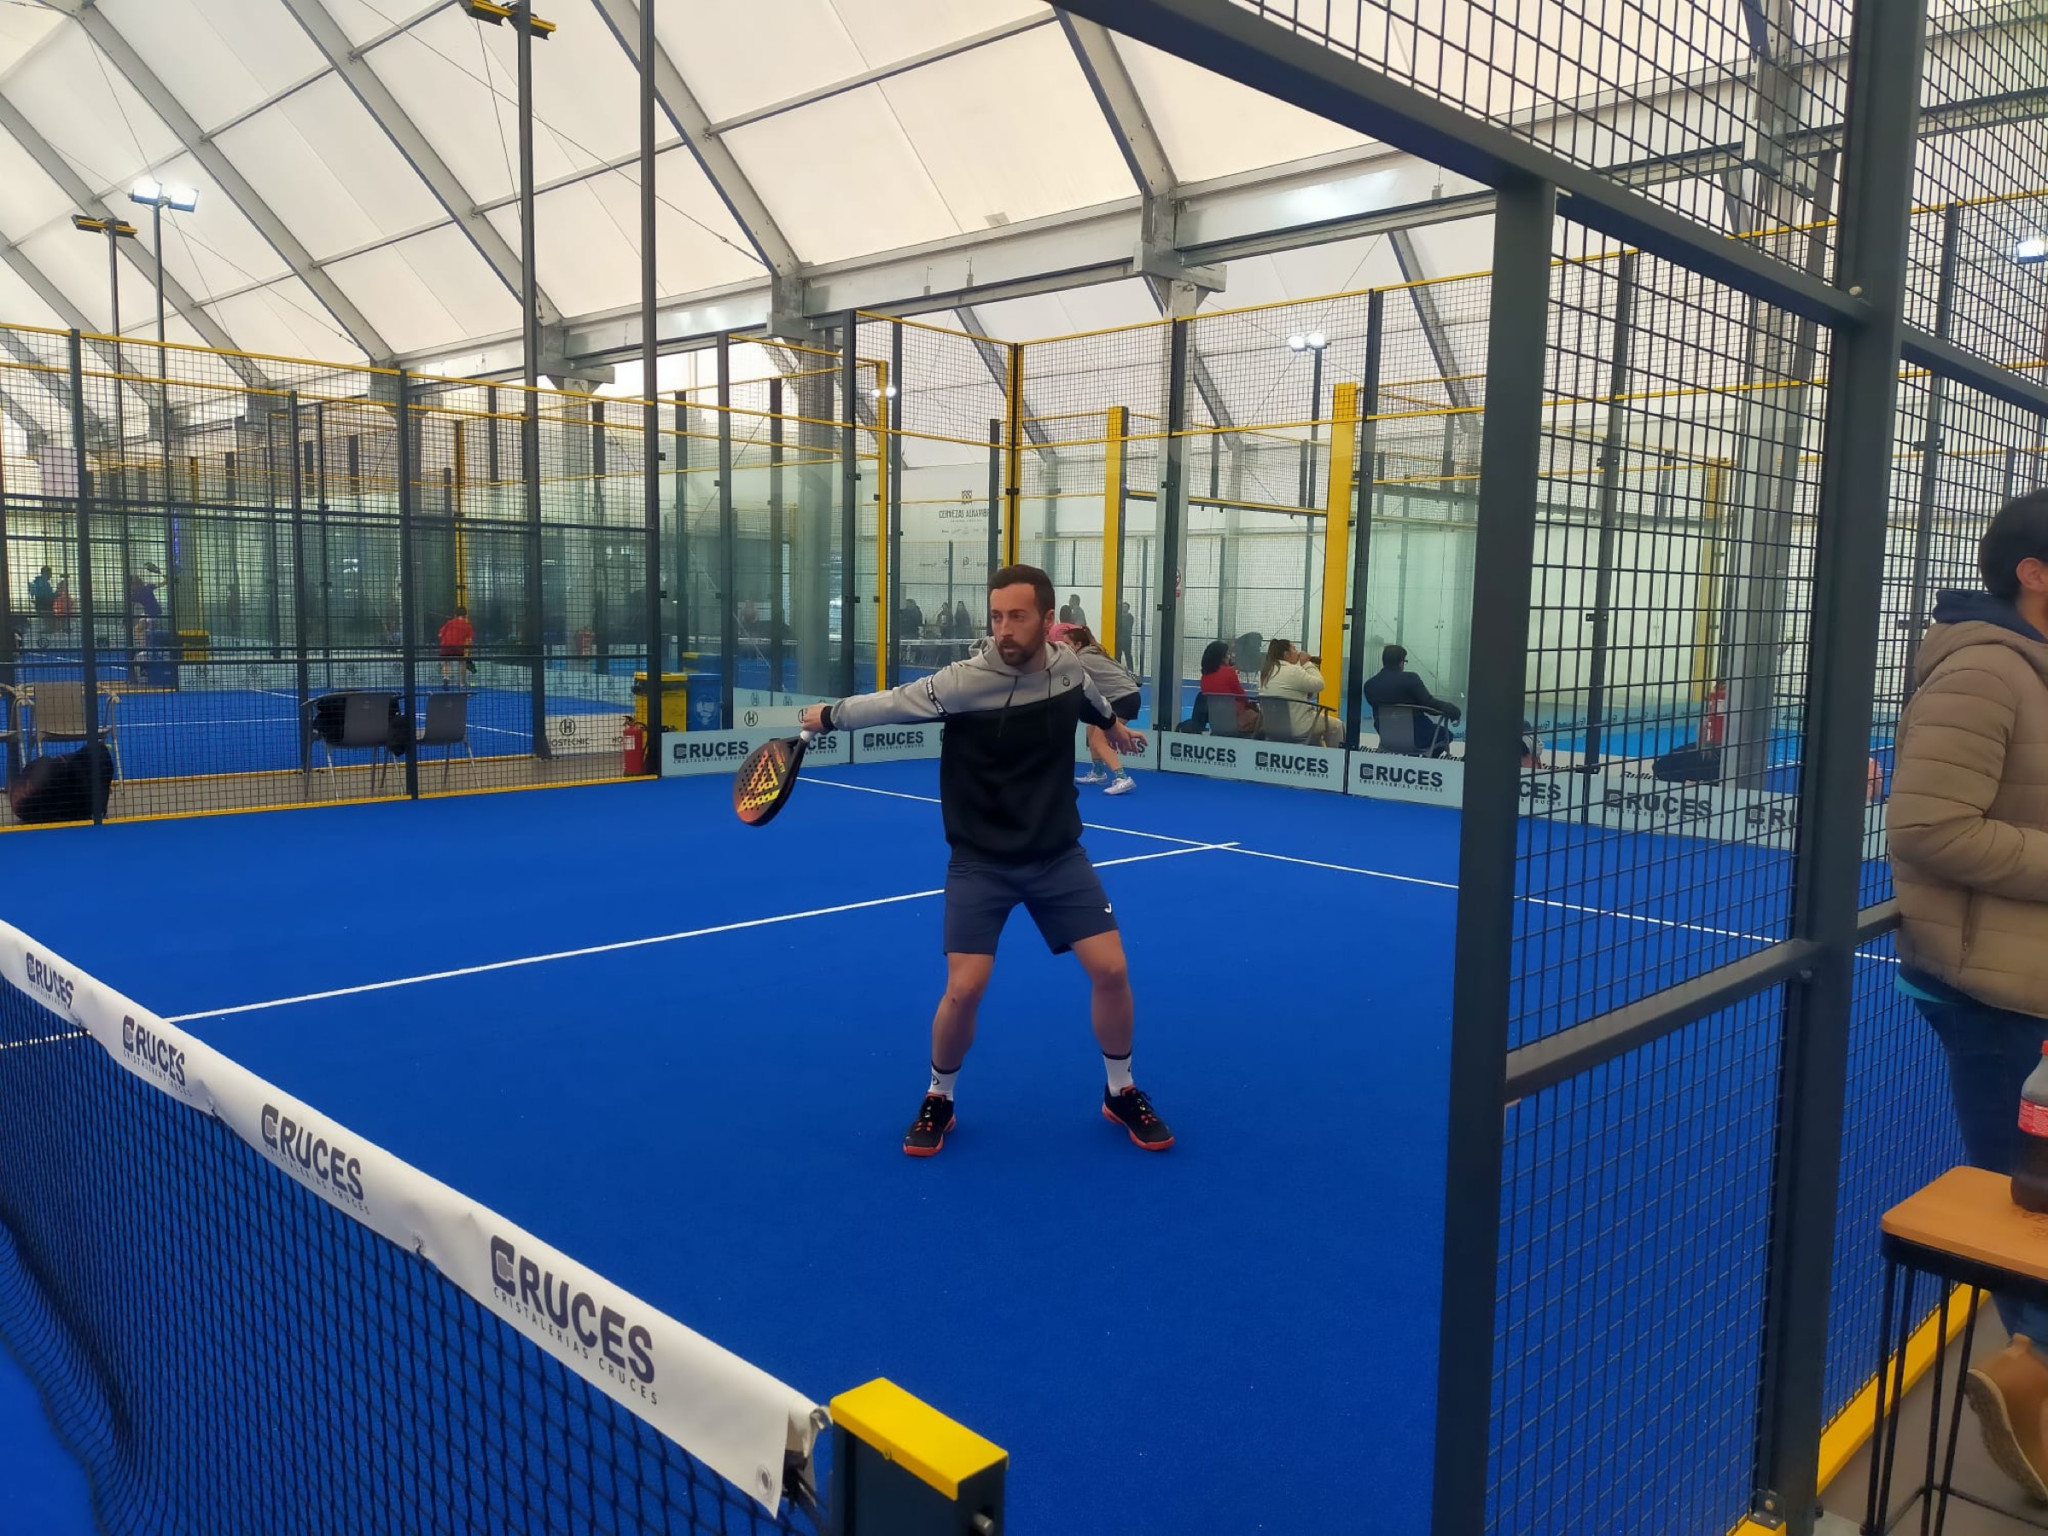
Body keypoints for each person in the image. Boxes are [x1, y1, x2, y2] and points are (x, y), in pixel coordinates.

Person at [798, 564, 1171, 1158]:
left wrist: (1113, 725)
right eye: (997, 616)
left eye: (1017, 616)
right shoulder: (961, 682)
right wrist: (830, 715)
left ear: (1047, 621)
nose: (1003, 629)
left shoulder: (1068, 666)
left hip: (1057, 854)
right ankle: (939, 1095)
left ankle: (1120, 1089)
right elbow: (889, 704)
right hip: (980, 861)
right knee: (965, 988)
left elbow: (1091, 698)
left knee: (1112, 970)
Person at [1889, 490, 2048, 1496]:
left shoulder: (2029, 664)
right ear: (2033, 572)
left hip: (2028, 980)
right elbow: (1927, 827)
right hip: (1996, 997)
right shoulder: (1986, 667)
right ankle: (2031, 1382)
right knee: (2022, 1203)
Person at [1059, 623, 1141, 795]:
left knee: (1099, 740)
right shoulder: (1094, 652)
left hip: (1124, 699)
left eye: (1067, 644)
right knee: (1091, 728)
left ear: (1078, 645)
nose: (1063, 647)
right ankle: (1098, 773)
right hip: (1121, 697)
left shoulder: (1081, 659)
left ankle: (1122, 778)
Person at [1364, 644, 1460, 755]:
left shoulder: (1370, 685)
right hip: (1417, 738)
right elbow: (1429, 705)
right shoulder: (1410, 679)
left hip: (1387, 739)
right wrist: (1452, 710)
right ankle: (1426, 762)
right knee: (1446, 735)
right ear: (1401, 662)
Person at [1259, 639, 1342, 747]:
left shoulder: (1266, 672)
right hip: (1298, 727)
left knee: (1315, 735)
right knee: (1336, 726)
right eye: (1294, 649)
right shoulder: (1293, 671)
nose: (1297, 652)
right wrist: (1307, 664)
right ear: (1286, 654)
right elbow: (1319, 684)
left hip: (1272, 728)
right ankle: (1337, 755)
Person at [1198, 639, 1258, 735]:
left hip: (1216, 723)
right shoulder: (1229, 672)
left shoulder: (1204, 677)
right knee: (1262, 719)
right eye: (1227, 654)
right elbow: (1242, 696)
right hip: (1236, 720)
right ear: (1223, 657)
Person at [438, 606, 474, 686]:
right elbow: (469, 640)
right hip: (459, 647)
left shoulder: (449, 623)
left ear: (455, 615)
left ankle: (446, 678)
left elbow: (440, 635)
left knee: (446, 662)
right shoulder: (468, 625)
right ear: (465, 615)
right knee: (462, 662)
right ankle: (462, 683)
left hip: (446, 646)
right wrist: (468, 652)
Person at [1116, 600, 1135, 669]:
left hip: (1127, 639)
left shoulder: (1130, 617)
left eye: (1125, 607)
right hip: (1119, 639)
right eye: (1123, 607)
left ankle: (1131, 670)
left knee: (1128, 655)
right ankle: (1117, 669)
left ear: (1128, 608)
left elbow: (1127, 627)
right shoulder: (1118, 616)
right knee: (1118, 655)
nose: (1124, 608)